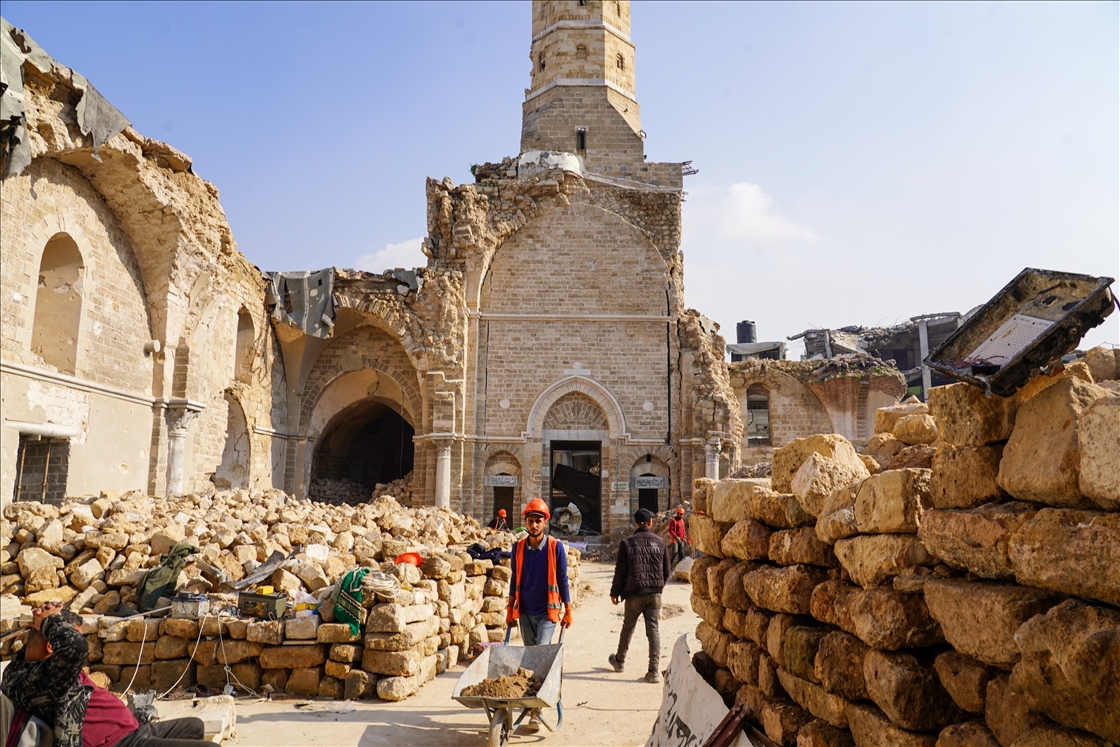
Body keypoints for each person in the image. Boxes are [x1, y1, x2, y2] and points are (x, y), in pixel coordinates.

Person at [1, 603, 210, 747]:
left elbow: (34, 647)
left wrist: (41, 621)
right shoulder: (40, 681)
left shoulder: (25, 668)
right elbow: (76, 647)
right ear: (51, 646)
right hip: (118, 743)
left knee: (195, 726)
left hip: (132, 730)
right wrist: (50, 622)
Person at [505, 498, 573, 731]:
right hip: (524, 611)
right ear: (525, 522)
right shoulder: (519, 548)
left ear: (545, 523)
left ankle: (537, 710)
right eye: (531, 521)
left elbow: (562, 580)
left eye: (538, 521)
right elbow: (515, 579)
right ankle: (530, 699)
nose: (534, 525)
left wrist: (569, 608)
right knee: (529, 658)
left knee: (541, 658)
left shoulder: (555, 547)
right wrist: (509, 609)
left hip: (548, 612)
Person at [608, 507, 671, 683]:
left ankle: (619, 661)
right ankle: (654, 671)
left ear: (635, 522)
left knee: (628, 627)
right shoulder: (660, 542)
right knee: (653, 630)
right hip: (654, 593)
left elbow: (620, 572)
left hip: (634, 593)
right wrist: (658, 586)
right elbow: (667, 570)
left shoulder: (627, 543)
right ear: (650, 522)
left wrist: (615, 593)